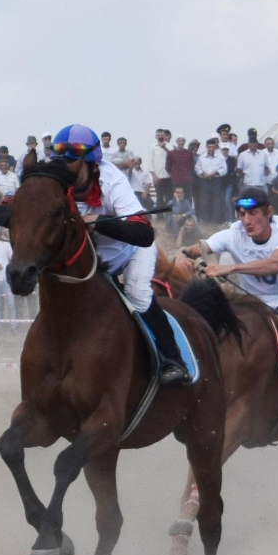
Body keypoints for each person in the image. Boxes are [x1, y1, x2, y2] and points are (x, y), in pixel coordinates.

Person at [45, 123, 190, 387]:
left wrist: (98, 220)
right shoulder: (55, 181)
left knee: (137, 292)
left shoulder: (112, 180)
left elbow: (144, 233)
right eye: (61, 160)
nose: (66, 168)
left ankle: (173, 360)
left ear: (90, 162)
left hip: (132, 251)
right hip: (92, 258)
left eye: (73, 160)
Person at [203, 190, 278, 420]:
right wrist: (185, 255)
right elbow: (201, 247)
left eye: (253, 213)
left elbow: (275, 264)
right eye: (241, 214)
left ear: (269, 212)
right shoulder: (235, 232)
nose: (247, 220)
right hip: (255, 304)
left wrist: (231, 268)